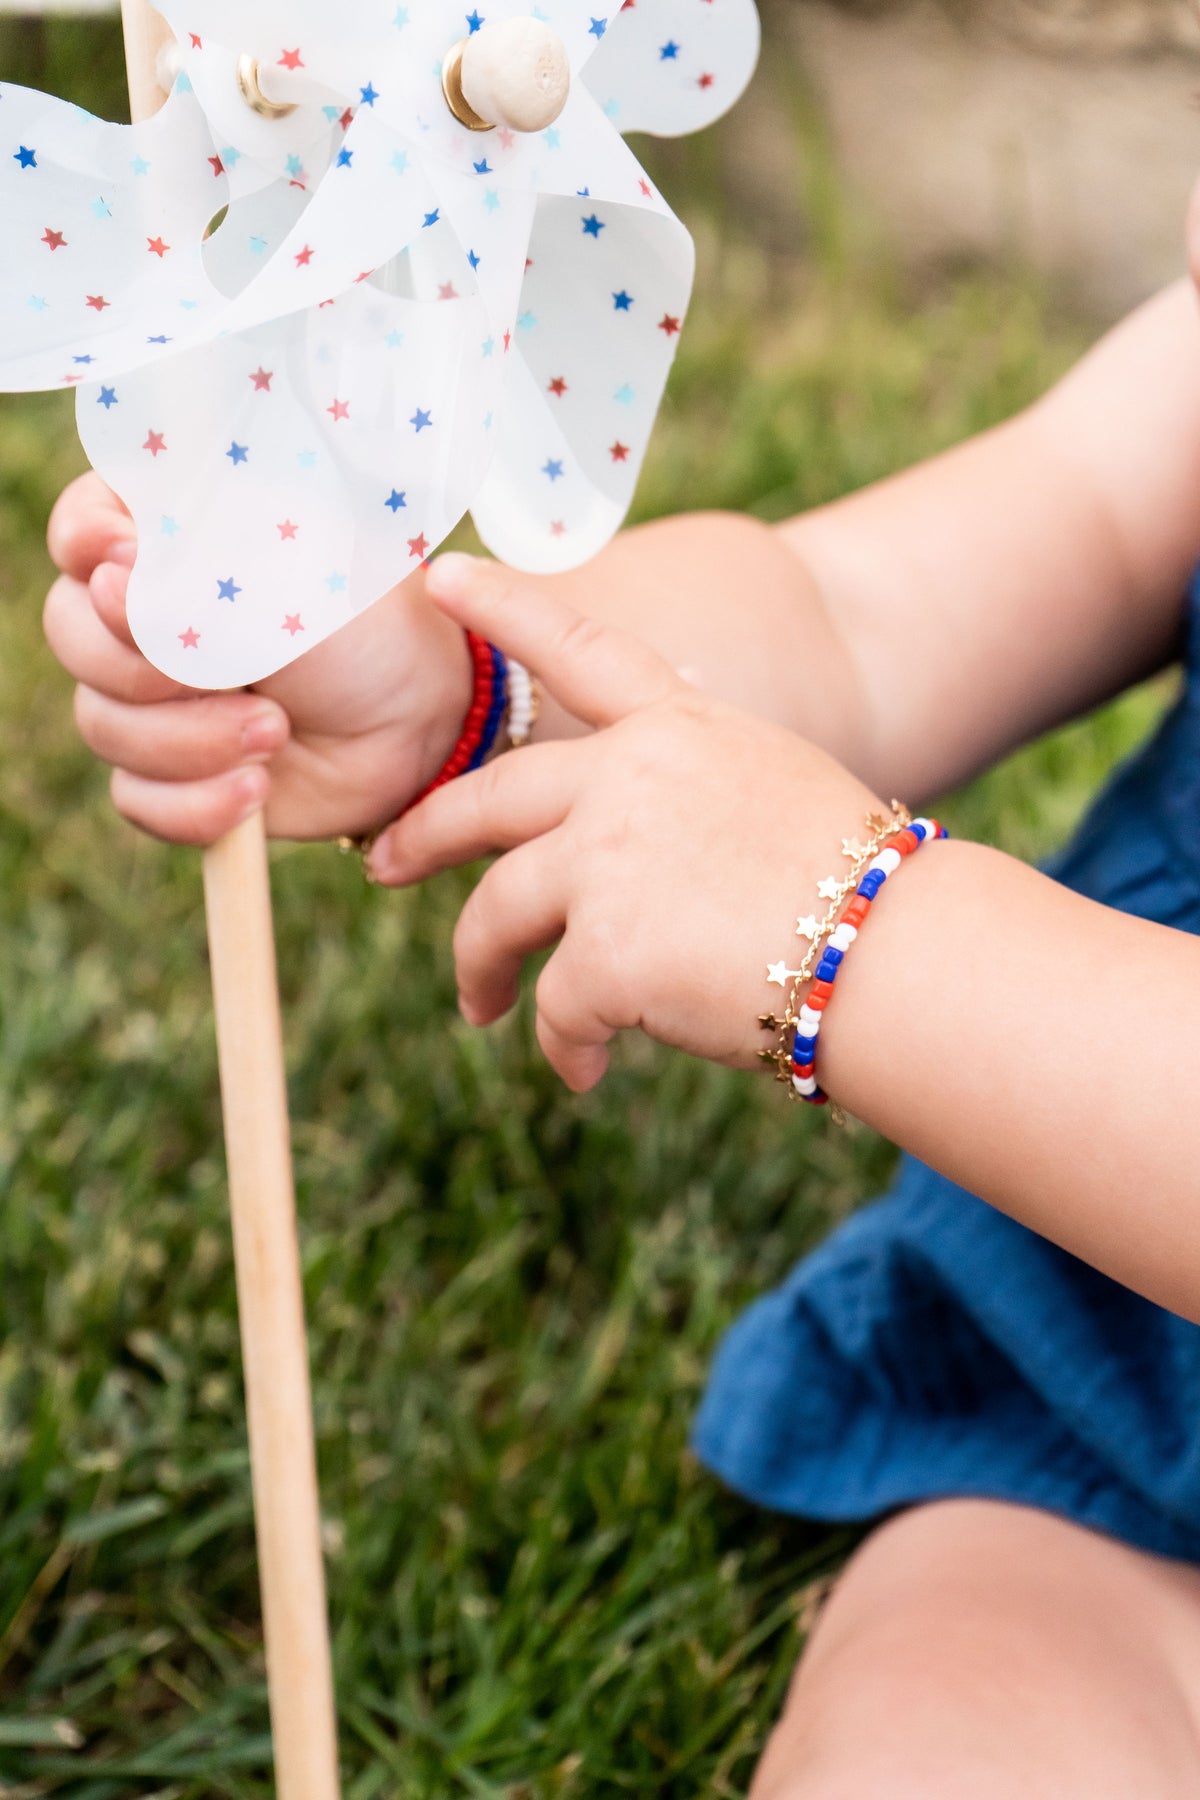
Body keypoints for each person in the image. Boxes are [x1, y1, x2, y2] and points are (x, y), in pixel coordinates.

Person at [40, 213, 1200, 1787]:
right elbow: (872, 609)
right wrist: (466, 684)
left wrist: (848, 921)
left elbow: (850, 910)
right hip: (1128, 1437)